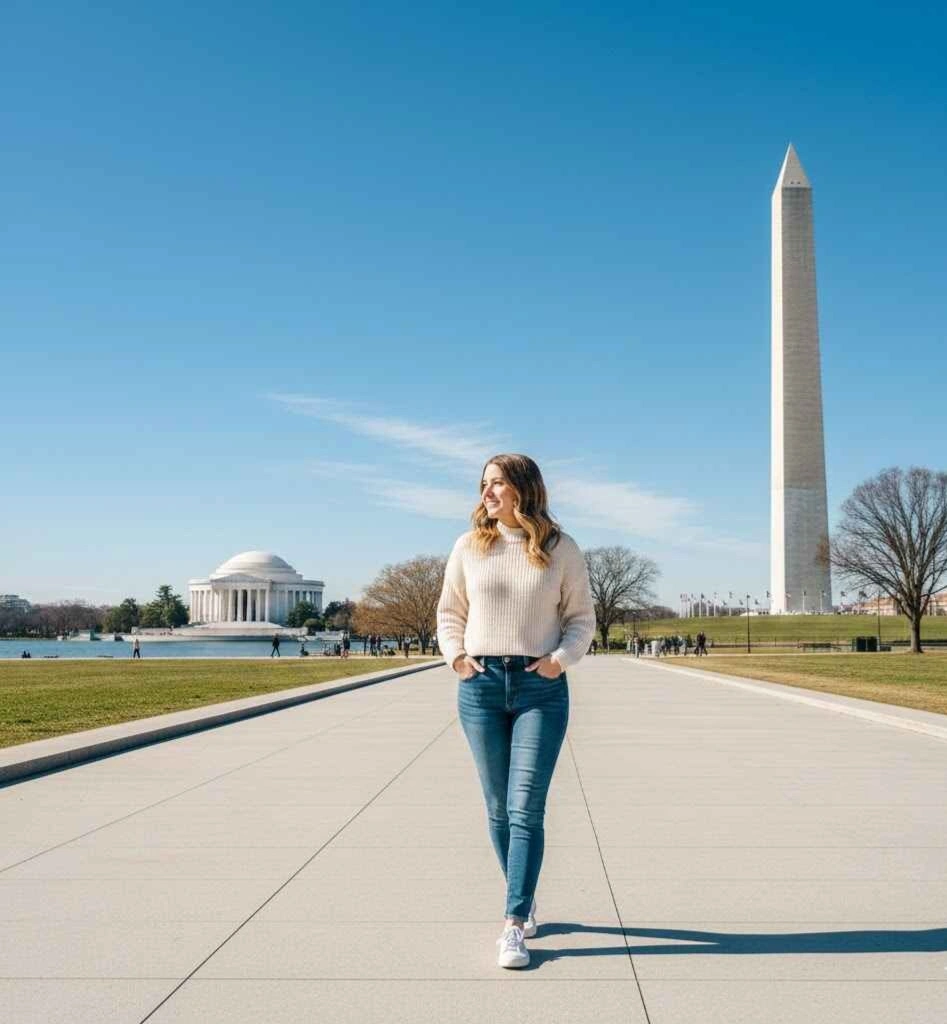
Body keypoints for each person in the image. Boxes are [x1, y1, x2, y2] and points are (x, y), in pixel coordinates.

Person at [437, 453, 595, 970]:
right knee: (498, 807)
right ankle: (522, 897)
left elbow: (580, 619)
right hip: (480, 687)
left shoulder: (559, 548)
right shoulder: (468, 546)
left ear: (523, 489)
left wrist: (558, 661)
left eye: (497, 483)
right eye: (483, 484)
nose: (486, 493)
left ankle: (513, 922)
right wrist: (457, 658)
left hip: (539, 689)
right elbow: (450, 612)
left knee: (526, 807)